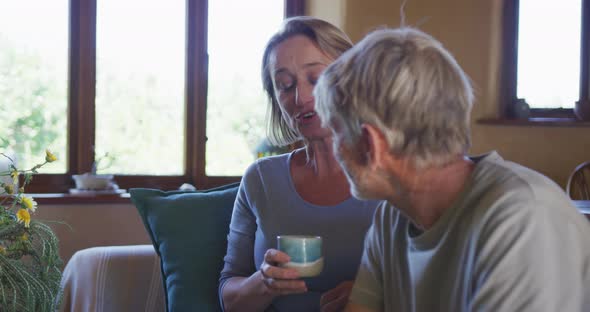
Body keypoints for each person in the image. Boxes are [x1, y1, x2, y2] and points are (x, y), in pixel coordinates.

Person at [314, 27, 590, 312]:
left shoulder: (523, 219)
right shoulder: (393, 216)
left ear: (372, 145)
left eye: (337, 133)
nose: (335, 148)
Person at [218, 16, 381, 312]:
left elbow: (436, 283)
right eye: (284, 85)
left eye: (316, 79)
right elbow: (230, 300)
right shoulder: (261, 179)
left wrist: (375, 295)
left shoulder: (393, 172)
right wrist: (264, 282)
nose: (301, 97)